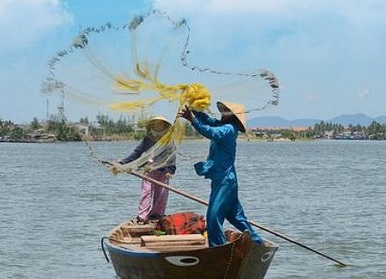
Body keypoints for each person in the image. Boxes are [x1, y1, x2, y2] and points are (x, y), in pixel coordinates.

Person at [178, 101, 264, 247]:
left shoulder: (229, 129)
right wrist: (195, 112)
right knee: (236, 217)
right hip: (225, 180)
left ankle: (217, 248)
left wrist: (192, 119)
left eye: (225, 112)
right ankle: (258, 243)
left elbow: (210, 132)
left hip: (225, 181)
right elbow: (208, 121)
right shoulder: (223, 126)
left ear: (232, 116)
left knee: (213, 218)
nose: (222, 113)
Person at [118, 116, 176, 223]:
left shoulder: (168, 141)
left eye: (161, 124)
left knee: (161, 194)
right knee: (146, 192)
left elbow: (171, 156)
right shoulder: (147, 139)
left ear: (164, 126)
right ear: (152, 126)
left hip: (163, 172)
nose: (158, 126)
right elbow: (136, 153)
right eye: (156, 124)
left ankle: (157, 215)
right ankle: (143, 216)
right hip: (149, 170)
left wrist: (169, 170)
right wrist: (123, 162)